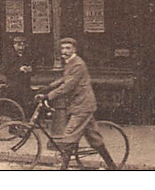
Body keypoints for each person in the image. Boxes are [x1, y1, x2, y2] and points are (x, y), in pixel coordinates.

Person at [36, 37, 116, 170]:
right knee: (94, 139)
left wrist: (48, 96)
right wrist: (48, 86)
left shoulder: (78, 64)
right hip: (81, 104)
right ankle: (112, 167)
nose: (65, 51)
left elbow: (68, 85)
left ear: (74, 49)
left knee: (68, 135)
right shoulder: (70, 62)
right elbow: (64, 78)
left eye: (68, 48)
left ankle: (63, 170)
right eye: (62, 48)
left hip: (82, 105)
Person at [4, 35, 35, 115]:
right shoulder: (9, 56)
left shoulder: (28, 55)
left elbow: (34, 68)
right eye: (19, 45)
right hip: (13, 85)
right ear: (14, 45)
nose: (21, 48)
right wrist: (19, 69)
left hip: (25, 84)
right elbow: (5, 70)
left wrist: (30, 69)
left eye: (23, 45)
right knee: (15, 105)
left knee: (26, 104)